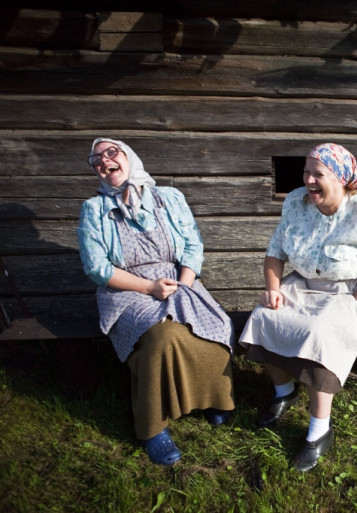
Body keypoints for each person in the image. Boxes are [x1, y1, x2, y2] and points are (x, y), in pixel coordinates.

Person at [239, 143, 357, 471]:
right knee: (264, 317)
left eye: (318, 174)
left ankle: (319, 431)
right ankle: (284, 393)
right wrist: (272, 288)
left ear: (341, 179)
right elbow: (275, 252)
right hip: (302, 283)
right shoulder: (296, 203)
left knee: (319, 337)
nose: (309, 180)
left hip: (347, 291)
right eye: (306, 172)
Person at [77, 138, 235, 466]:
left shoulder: (169, 198)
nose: (104, 162)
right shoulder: (94, 210)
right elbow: (97, 268)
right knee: (162, 337)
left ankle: (214, 398)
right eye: (96, 160)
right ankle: (153, 427)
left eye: (111, 153)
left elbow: (193, 246)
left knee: (215, 327)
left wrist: (183, 287)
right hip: (127, 290)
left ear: (128, 157)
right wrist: (149, 288)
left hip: (177, 281)